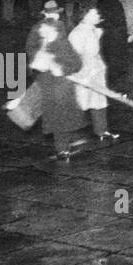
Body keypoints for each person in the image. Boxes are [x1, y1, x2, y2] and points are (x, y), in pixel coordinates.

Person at [25, 14, 88, 160]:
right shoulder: (44, 44)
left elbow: (77, 64)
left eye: (44, 29)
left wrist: (62, 69)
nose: (40, 31)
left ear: (53, 31)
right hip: (48, 87)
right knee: (57, 119)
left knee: (60, 118)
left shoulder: (63, 45)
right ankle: (63, 146)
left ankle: (63, 147)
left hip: (61, 89)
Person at [68, 9, 120, 142]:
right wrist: (82, 75)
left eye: (97, 13)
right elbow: (74, 56)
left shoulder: (92, 30)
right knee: (80, 100)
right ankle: (69, 131)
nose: (98, 15)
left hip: (96, 70)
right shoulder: (77, 33)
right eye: (94, 14)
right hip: (84, 72)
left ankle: (102, 130)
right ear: (84, 17)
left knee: (99, 100)